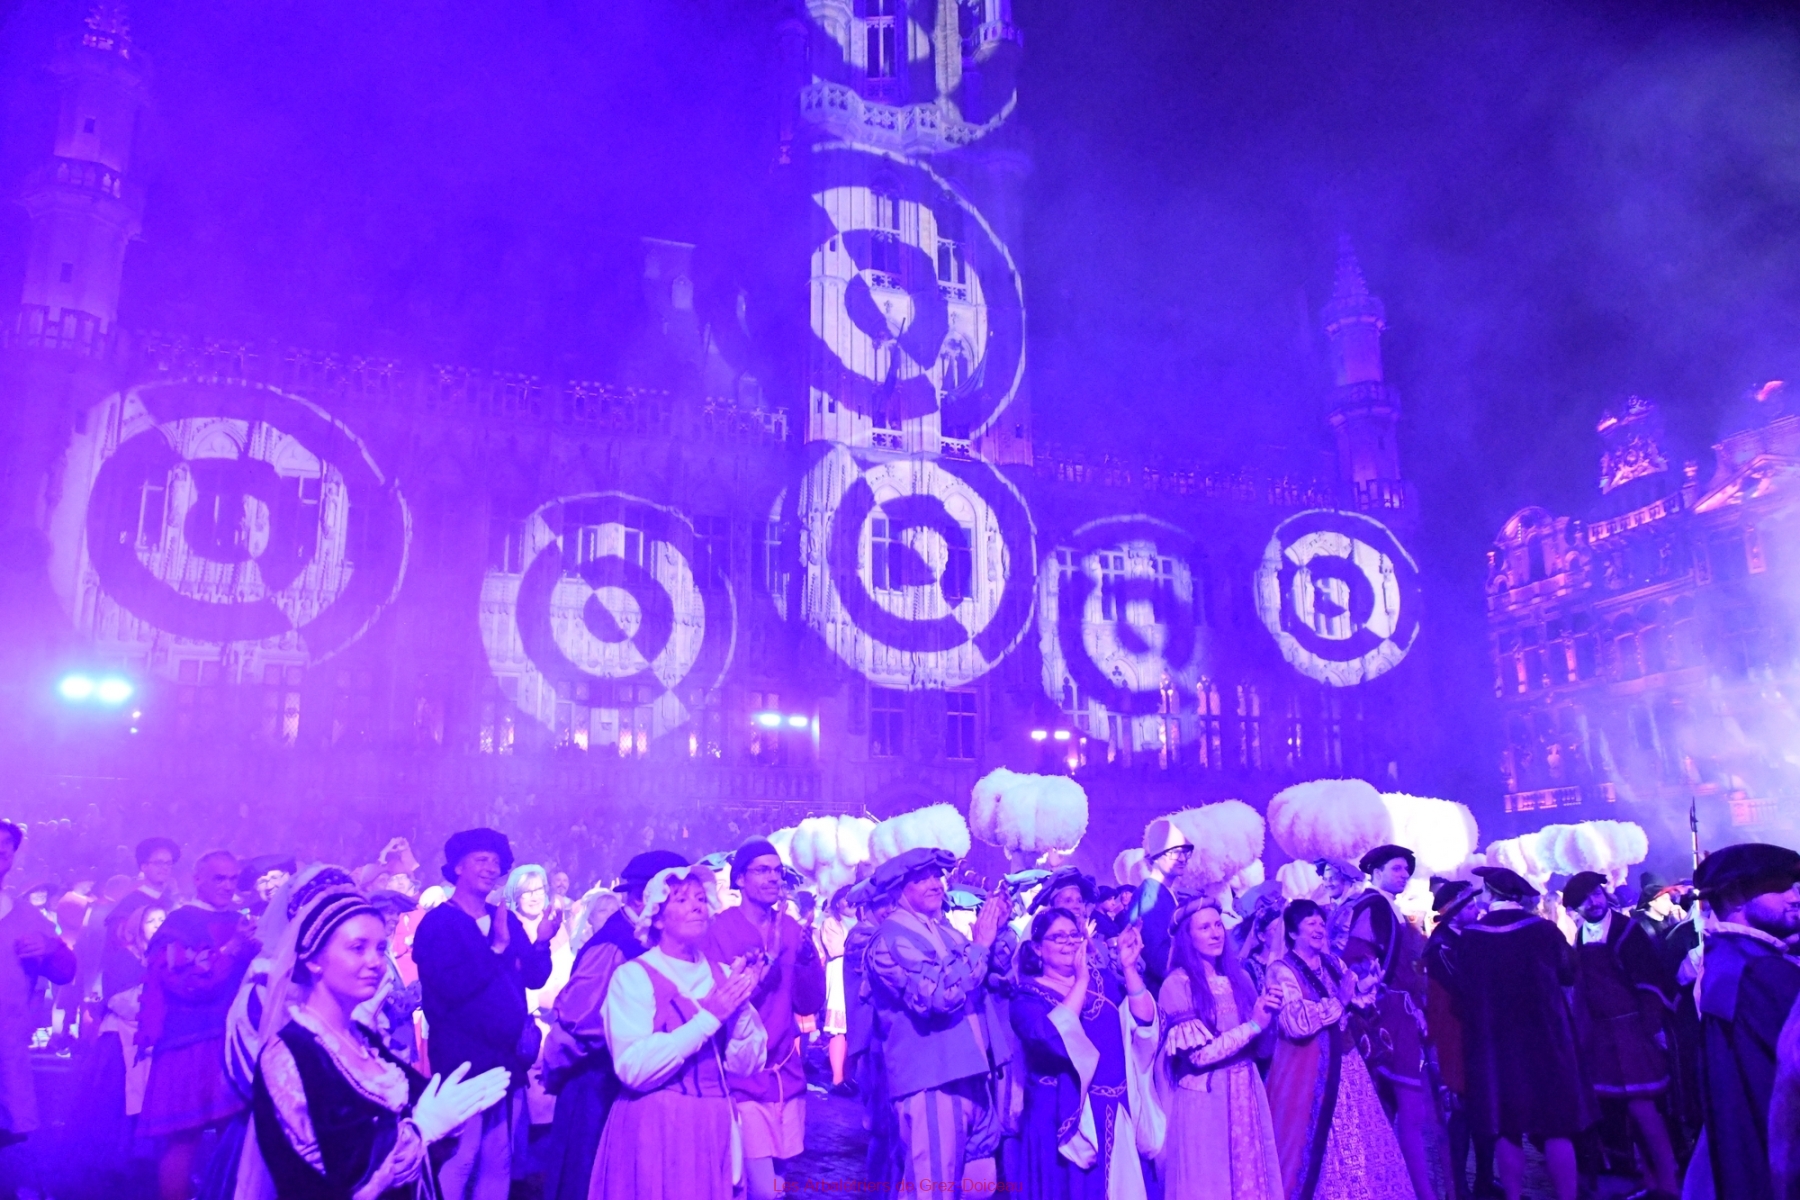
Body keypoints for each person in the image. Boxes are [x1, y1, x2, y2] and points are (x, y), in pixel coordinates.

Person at [250, 887, 511, 1199]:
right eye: (357, 948)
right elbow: (327, 1175)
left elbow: (417, 1126)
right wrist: (420, 1130)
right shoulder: (290, 1055)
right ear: (315, 960)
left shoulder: (363, 1038)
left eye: (380, 948)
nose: (375, 961)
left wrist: (443, 1121)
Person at [589, 865, 768, 1200]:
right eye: (682, 900)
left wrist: (740, 1001)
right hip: (655, 1128)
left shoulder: (722, 974)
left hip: (713, 1126)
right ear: (658, 917)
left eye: (700, 898)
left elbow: (747, 1065)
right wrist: (708, 1018)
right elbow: (633, 1068)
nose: (697, 906)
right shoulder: (634, 977)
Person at [413, 828, 556, 1200]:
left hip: (505, 1056)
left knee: (500, 1157)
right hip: (462, 1058)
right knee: (462, 1156)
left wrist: (542, 941)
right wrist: (496, 948)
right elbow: (452, 987)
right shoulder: (439, 923)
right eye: (481, 860)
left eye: (495, 862)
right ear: (458, 867)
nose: (491, 868)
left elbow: (534, 976)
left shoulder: (501, 916)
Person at [539, 849, 685, 1200]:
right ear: (642, 898)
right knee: (584, 1176)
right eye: (677, 895)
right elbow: (576, 1022)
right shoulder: (614, 944)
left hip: (629, 1083)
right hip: (595, 1082)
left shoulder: (652, 940)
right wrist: (558, 1072)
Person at [865, 847, 1011, 1191]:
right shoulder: (889, 940)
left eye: (937, 876)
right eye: (922, 878)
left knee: (980, 1186)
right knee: (933, 1189)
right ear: (899, 888)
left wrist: (997, 928)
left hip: (973, 1075)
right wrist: (981, 945)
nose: (935, 883)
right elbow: (938, 996)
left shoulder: (947, 933)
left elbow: (990, 974)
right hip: (932, 1082)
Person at [1455, 866, 1591, 1200]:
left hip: (1495, 1047)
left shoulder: (1472, 937)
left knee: (1507, 1127)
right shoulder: (1544, 931)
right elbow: (1568, 973)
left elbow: (1462, 991)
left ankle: (1514, 1196)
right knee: (1557, 1127)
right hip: (1546, 1043)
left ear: (1490, 894)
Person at [702, 838, 827, 1200]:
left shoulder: (790, 928)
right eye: (762, 871)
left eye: (777, 871)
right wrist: (766, 964)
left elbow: (809, 1002)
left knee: (779, 1180)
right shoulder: (718, 930)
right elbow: (720, 1005)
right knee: (762, 1187)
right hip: (741, 1076)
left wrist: (806, 957)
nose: (773, 878)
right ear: (740, 879)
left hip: (786, 1074)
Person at [1264, 899, 1413, 1200]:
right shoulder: (1282, 971)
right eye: (1311, 923)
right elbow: (1295, 1023)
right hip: (1308, 1071)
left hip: (1347, 1066)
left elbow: (1353, 1003)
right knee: (1316, 1144)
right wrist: (1340, 1000)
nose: (1319, 928)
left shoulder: (1333, 962)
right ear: (1292, 932)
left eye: (1321, 922)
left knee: (1360, 1135)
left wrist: (1367, 987)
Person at [1008, 905, 1161, 1199]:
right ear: (1037, 948)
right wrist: (1080, 981)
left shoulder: (1103, 980)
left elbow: (1143, 1022)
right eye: (1058, 937)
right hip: (1061, 1118)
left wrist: (1129, 968)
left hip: (1116, 1107)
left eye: (1074, 935)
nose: (1069, 942)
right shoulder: (1026, 997)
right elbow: (1052, 1038)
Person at [139, 849, 256, 1200]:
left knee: (235, 1139)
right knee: (182, 1138)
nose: (228, 885)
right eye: (219, 878)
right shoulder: (179, 924)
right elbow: (187, 984)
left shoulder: (242, 920)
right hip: (187, 1044)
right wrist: (233, 948)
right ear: (197, 879)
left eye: (233, 878)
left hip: (234, 1043)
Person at [1689, 843, 1800, 1200]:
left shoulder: (1726, 957)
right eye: (1779, 887)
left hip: (1746, 1145)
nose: (1795, 896)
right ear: (1735, 895)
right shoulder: (1763, 972)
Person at [1154, 897, 1282, 1200]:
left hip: (1246, 1093)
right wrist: (1253, 1025)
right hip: (1205, 1100)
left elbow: (1262, 1051)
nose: (1215, 934)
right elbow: (1199, 1056)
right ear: (1188, 938)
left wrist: (1270, 1017)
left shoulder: (1240, 978)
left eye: (1217, 925)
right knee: (1211, 1183)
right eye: (1204, 928)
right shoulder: (1177, 985)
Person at [1561, 870, 1678, 1197]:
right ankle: (1649, 1180)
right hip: (1600, 1034)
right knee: (1621, 1110)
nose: (1593, 902)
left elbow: (1650, 980)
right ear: (1575, 907)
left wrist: (1651, 1027)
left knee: (1643, 1107)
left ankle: (1669, 1180)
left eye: (1596, 894)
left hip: (1632, 1030)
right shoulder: (1581, 936)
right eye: (1585, 900)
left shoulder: (1627, 930)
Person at [1342, 844, 1449, 1200]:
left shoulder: (1387, 908)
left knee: (1393, 1108)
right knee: (1408, 1108)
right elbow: (1358, 958)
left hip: (1398, 1012)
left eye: (1406, 870)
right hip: (1388, 1016)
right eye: (1397, 869)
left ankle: (1393, 1186)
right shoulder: (1373, 905)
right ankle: (1416, 1191)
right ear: (1376, 872)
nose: (1404, 875)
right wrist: (1376, 1000)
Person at [0, 819, 77, 1150]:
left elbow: (66, 972)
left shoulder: (28, 918)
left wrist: (51, 948)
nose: (2, 849)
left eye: (8, 844)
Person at [1422, 879, 1492, 1200]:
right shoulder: (1441, 946)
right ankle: (1459, 1185)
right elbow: (1463, 987)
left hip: (1472, 1031)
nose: (1476, 910)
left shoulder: (1465, 939)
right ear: (1455, 911)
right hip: (1456, 1034)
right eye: (1470, 905)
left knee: (1482, 1107)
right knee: (1462, 1109)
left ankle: (1484, 1181)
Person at [1129, 818, 1193, 993]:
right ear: (1156, 857)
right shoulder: (1151, 894)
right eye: (1175, 853)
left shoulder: (1165, 891)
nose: (1182, 859)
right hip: (1166, 990)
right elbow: (1159, 959)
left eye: (1185, 853)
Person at [817, 885, 855, 1094]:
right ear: (837, 902)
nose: (849, 902)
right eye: (845, 898)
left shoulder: (860, 921)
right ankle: (837, 1079)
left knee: (852, 1030)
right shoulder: (831, 923)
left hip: (856, 978)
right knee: (839, 1030)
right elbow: (835, 949)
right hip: (839, 976)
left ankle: (848, 1075)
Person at [1314, 858, 1365, 955]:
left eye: (1332, 879)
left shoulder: (1355, 906)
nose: (1328, 884)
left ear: (1346, 881)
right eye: (1325, 879)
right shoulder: (1335, 907)